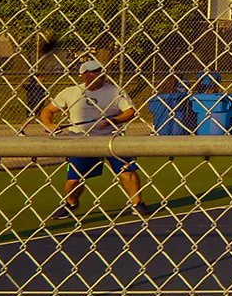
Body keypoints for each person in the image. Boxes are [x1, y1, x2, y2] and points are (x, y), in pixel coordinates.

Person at [38, 55, 153, 219]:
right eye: (92, 72)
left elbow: (130, 112)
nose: (97, 75)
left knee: (127, 172)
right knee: (73, 181)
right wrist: (49, 125)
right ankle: (71, 204)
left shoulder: (114, 91)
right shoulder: (70, 92)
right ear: (83, 75)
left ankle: (137, 204)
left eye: (100, 71)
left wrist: (115, 120)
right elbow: (47, 111)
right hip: (81, 143)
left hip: (113, 140)